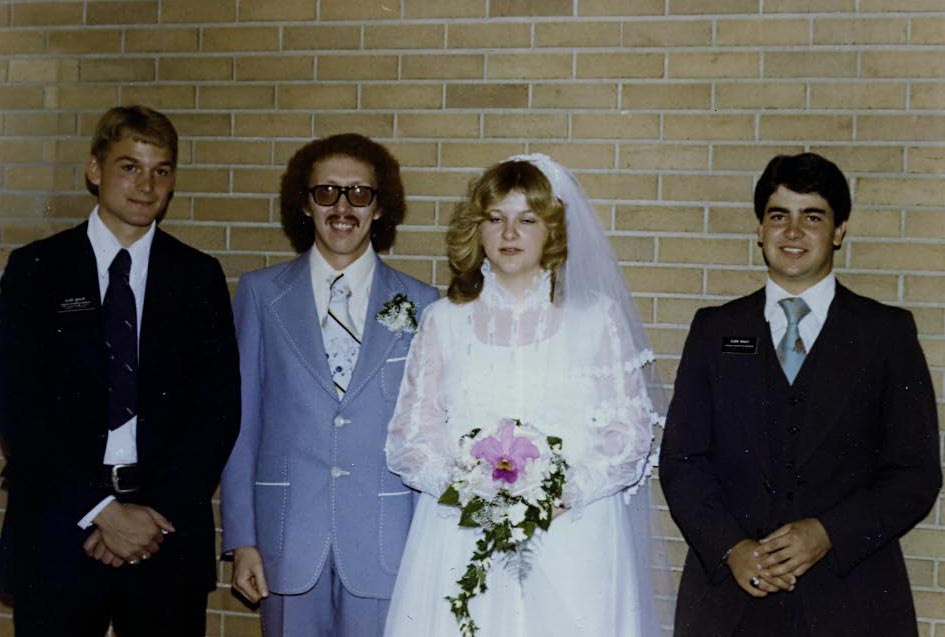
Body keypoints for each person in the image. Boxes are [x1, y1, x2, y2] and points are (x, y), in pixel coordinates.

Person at [383, 155, 668, 636]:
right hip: (464, 533)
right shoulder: (443, 322)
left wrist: (564, 491)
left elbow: (629, 433)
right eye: (496, 219)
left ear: (552, 231)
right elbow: (410, 437)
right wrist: (470, 489)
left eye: (527, 220)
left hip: (571, 537)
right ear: (477, 229)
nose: (509, 233)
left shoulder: (595, 319)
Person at [659, 152, 942, 636]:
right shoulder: (715, 330)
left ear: (839, 230)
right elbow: (682, 462)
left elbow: (915, 474)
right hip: (732, 601)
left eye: (812, 217)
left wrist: (828, 533)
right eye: (778, 216)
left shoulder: (885, 333)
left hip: (853, 600)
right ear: (759, 230)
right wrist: (731, 548)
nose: (793, 232)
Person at [0, 105, 241, 636]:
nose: (146, 185)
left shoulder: (198, 277)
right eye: (130, 166)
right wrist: (102, 510)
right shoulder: (35, 270)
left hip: (165, 530)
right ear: (94, 170)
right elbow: (19, 411)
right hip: (60, 527)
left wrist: (148, 518)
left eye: (161, 170)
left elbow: (218, 413)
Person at [220, 133, 439, 637]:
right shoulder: (259, 295)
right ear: (304, 202)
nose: (343, 208)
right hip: (286, 539)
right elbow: (241, 424)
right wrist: (243, 539)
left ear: (381, 207)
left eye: (359, 194)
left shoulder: (423, 304)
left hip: (386, 542)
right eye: (327, 193)